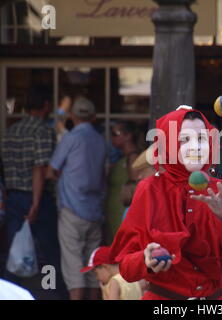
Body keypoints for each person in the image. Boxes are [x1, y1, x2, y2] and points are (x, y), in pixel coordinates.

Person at [110, 106, 222, 300]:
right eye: (184, 140)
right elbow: (126, 269)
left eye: (202, 138)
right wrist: (145, 259)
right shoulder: (150, 190)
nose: (196, 147)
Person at [1, 87, 67, 299]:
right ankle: (51, 294)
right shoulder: (42, 130)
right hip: (36, 198)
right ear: (45, 106)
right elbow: (39, 169)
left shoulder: (10, 131)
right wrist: (36, 204)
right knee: (48, 254)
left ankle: (10, 293)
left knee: (15, 253)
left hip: (13, 197)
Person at [47, 97, 107, 300]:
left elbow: (51, 170)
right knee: (92, 266)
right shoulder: (100, 140)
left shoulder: (70, 138)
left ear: (72, 116)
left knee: (74, 268)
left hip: (72, 208)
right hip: (95, 210)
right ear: (93, 117)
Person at [104, 121, 141, 244]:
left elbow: (135, 188)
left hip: (122, 211)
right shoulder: (122, 158)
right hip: (115, 211)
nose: (112, 138)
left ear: (128, 136)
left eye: (115, 134)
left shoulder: (133, 158)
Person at [80, 246, 145, 300]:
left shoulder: (114, 282)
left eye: (96, 273)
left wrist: (104, 290)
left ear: (105, 266)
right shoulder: (132, 277)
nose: (97, 278)